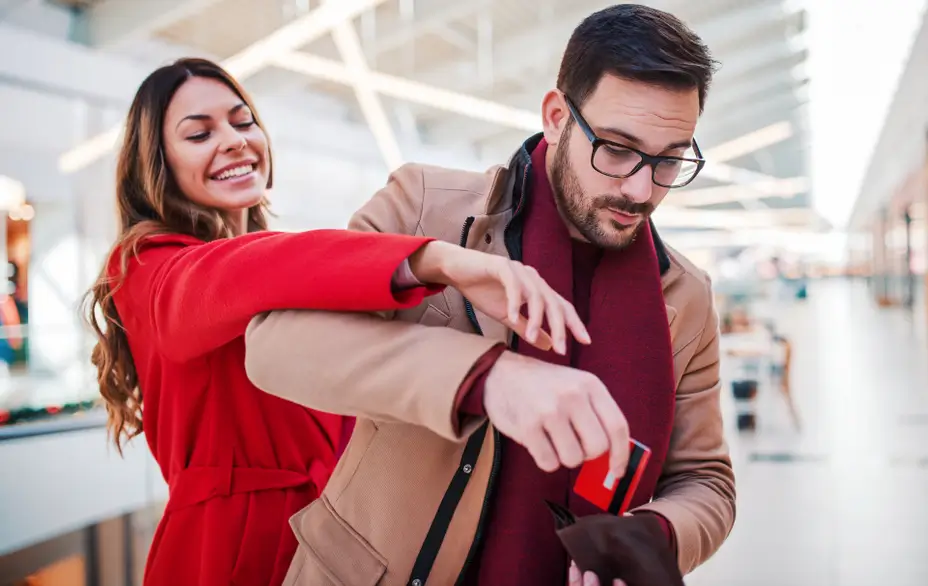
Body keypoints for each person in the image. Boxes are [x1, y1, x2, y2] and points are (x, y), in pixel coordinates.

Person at [245, 5, 736, 585]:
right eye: (618, 149)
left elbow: (705, 479)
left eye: (670, 159)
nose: (640, 188)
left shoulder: (685, 295)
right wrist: (487, 378)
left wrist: (653, 538)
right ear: (556, 117)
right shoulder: (426, 207)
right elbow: (275, 344)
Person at [82, 58, 588, 586]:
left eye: (242, 120)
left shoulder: (283, 273)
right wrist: (435, 259)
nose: (233, 140)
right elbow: (231, 275)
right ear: (157, 162)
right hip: (226, 550)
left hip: (333, 539)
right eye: (199, 133)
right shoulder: (146, 266)